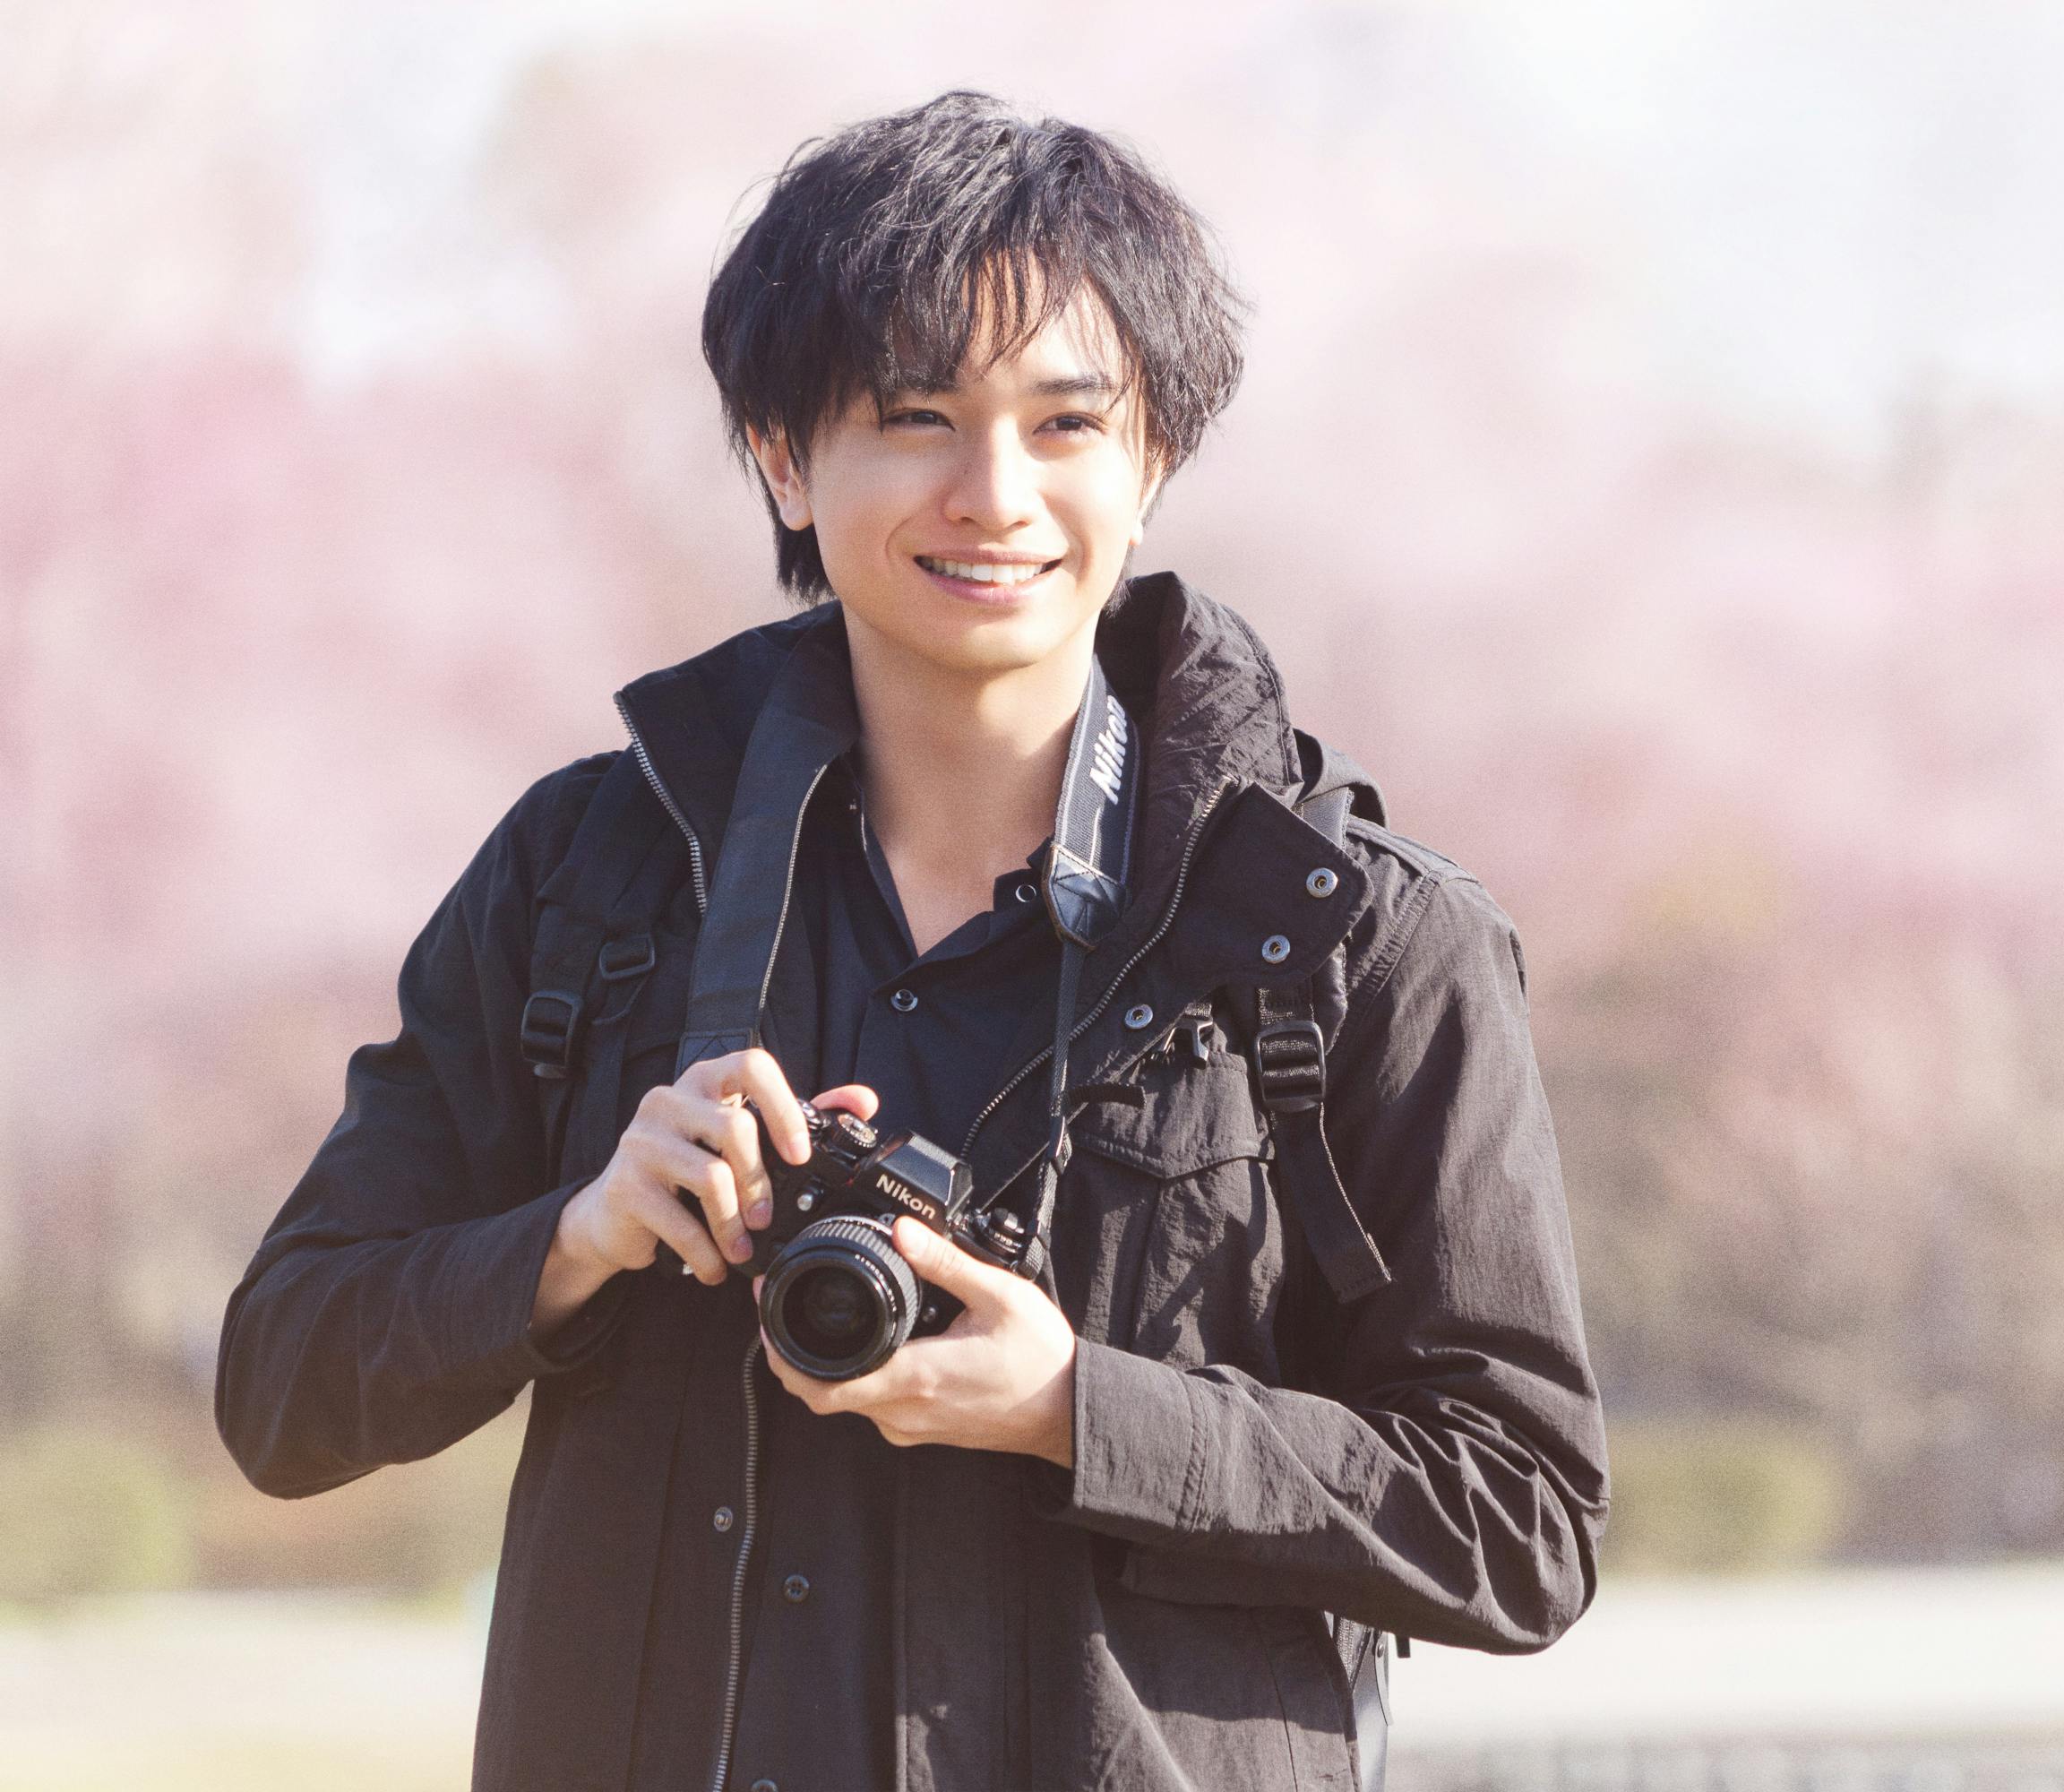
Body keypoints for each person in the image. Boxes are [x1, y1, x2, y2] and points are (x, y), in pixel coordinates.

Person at [215, 89, 1609, 1792]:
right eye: (916, 417)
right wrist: (572, 1243)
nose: (992, 493)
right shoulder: (588, 884)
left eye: (1066, 424)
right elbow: (281, 1391)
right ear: (785, 460)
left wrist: (1083, 1411)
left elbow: (1522, 1520)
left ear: (1155, 458)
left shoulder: (1350, 942)